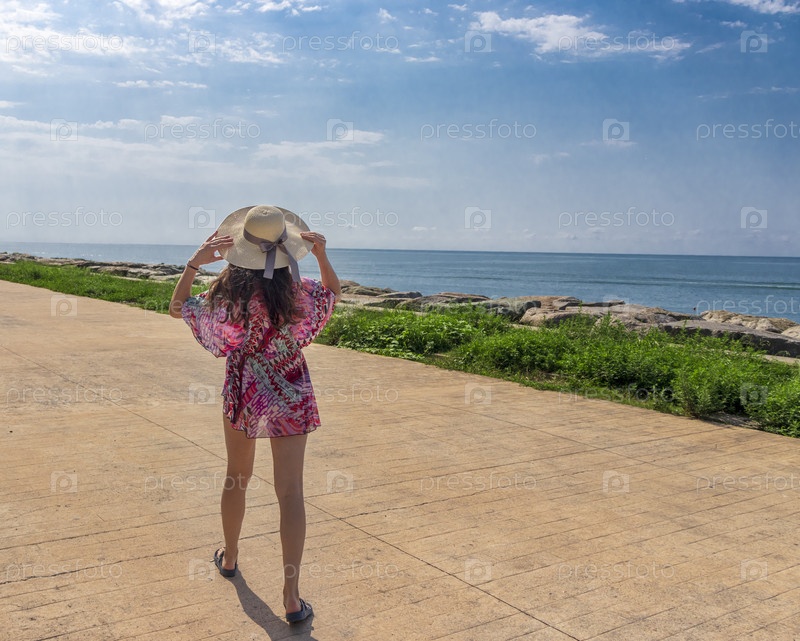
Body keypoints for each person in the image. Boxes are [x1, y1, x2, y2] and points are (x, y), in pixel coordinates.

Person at [169, 205, 341, 624]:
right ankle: (292, 597)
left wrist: (195, 262)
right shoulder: (299, 292)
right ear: (287, 248)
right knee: (291, 492)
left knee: (237, 476)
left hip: (245, 388)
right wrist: (321, 257)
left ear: (239, 248)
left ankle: (230, 557)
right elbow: (333, 295)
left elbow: (177, 307)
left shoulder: (228, 296)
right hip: (290, 388)